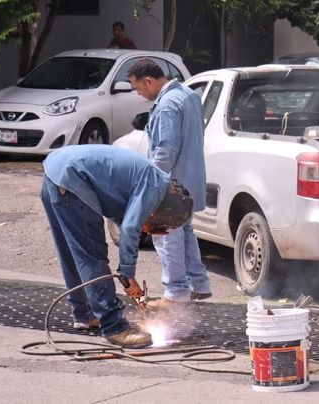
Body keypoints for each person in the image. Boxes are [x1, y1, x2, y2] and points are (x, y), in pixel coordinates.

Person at [41, 145, 193, 348]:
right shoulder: (156, 185)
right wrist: (127, 275)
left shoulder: (152, 179)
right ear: (162, 211)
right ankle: (115, 327)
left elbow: (126, 217)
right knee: (92, 254)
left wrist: (142, 226)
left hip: (55, 171)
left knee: (73, 251)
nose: (149, 229)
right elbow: (130, 228)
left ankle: (85, 314)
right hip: (71, 177)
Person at [127, 59, 210, 308]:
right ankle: (199, 284)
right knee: (184, 232)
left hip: (171, 184)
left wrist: (151, 185)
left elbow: (165, 150)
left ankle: (175, 292)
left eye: (138, 88)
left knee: (166, 236)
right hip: (190, 180)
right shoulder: (189, 95)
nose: (139, 94)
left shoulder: (167, 106)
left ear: (149, 81)